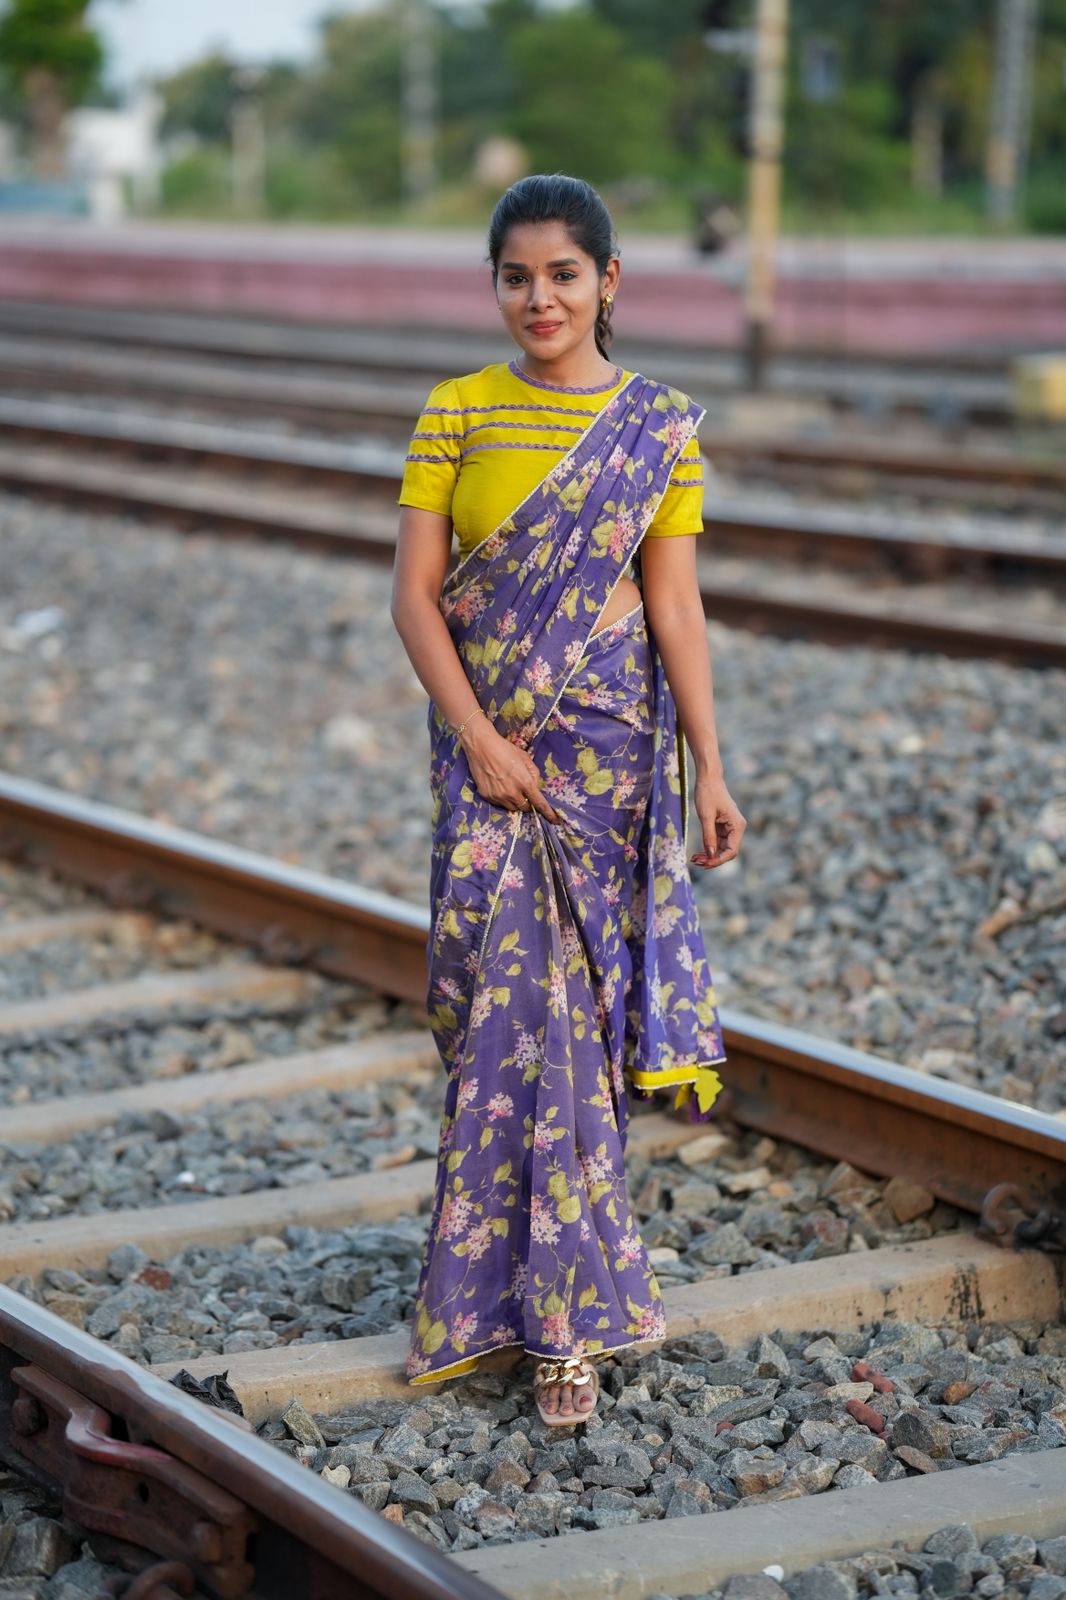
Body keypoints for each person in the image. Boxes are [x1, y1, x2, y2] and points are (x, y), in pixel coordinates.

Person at [390, 173, 745, 1428]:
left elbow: (675, 607)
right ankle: (488, 1301)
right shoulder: (457, 413)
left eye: (561, 273)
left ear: (608, 282)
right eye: (514, 275)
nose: (537, 297)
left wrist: (708, 760)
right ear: (495, 286)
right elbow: (414, 600)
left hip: (606, 763)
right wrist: (479, 738)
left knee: (574, 1034)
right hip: (487, 768)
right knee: (488, 1016)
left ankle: (565, 1328)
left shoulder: (659, 427)